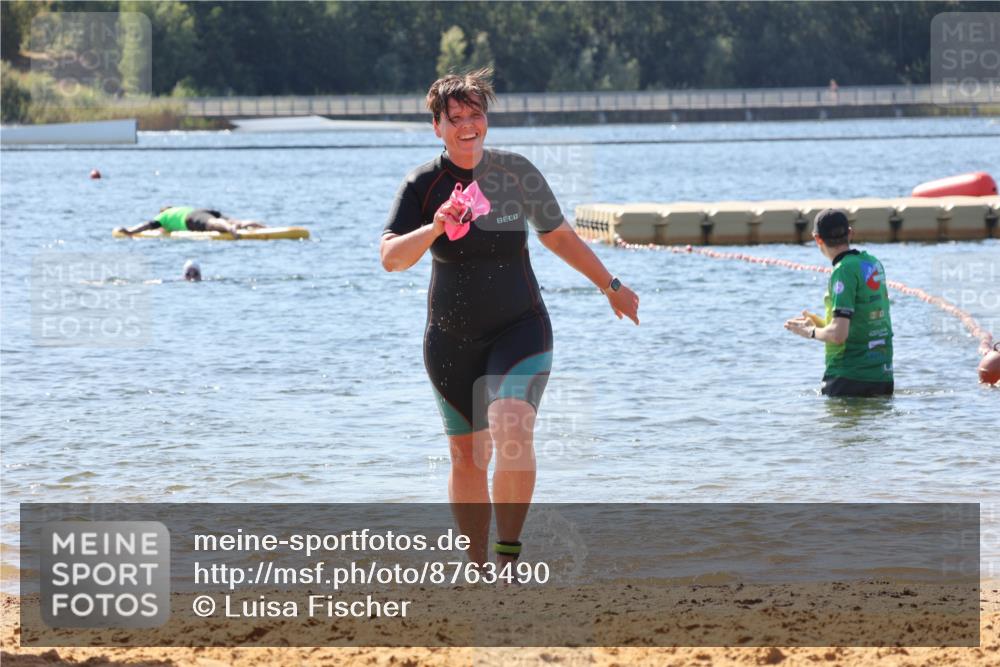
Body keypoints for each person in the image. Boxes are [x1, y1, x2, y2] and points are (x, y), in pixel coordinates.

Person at [380, 68, 639, 570]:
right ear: (437, 126)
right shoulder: (422, 185)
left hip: (520, 327)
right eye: (455, 119)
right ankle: (475, 563)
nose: (467, 126)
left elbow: (559, 236)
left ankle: (506, 558)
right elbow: (391, 257)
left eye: (475, 115)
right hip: (450, 340)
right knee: (468, 458)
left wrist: (610, 285)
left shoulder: (516, 173)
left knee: (512, 427)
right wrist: (434, 227)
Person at [785, 208, 893, 397]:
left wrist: (809, 332)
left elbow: (838, 335)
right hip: (882, 376)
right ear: (850, 233)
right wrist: (819, 324)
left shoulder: (842, 270)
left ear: (817, 239)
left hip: (848, 378)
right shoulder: (872, 263)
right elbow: (861, 322)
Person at [115, 207, 265, 239]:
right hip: (202, 210)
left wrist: (130, 231)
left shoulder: (163, 217)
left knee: (213, 223)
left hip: (191, 219)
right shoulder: (178, 208)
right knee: (237, 221)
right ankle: (262, 227)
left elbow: (146, 225)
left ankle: (230, 229)